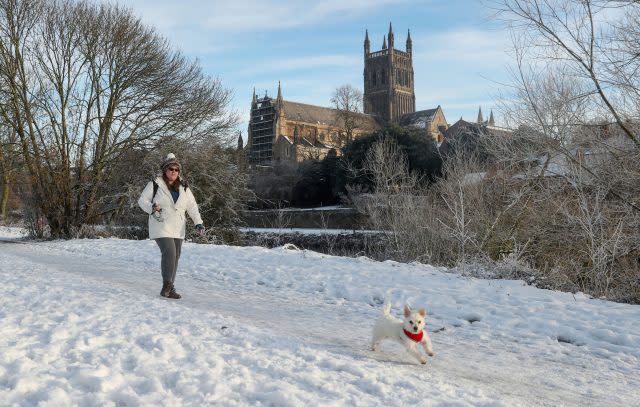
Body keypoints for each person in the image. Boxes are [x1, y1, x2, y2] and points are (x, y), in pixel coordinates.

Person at [138, 153, 205, 299]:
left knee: (176, 256)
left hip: (178, 226)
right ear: (165, 170)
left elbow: (192, 206)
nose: (173, 172)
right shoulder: (155, 183)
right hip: (161, 224)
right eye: (170, 169)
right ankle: (166, 286)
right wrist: (151, 207)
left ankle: (170, 288)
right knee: (169, 253)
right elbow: (142, 200)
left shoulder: (184, 186)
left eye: (176, 169)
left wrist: (198, 222)